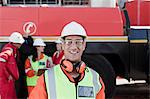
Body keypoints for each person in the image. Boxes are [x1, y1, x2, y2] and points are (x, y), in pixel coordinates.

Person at [29, 21, 105, 99]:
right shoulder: (47, 78)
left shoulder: (95, 79)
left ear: (84, 45)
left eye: (78, 42)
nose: (74, 47)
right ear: (63, 45)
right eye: (69, 42)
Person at [0, 32, 25, 99]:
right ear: (15, 43)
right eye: (19, 43)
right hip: (6, 81)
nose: (21, 44)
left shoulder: (13, 50)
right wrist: (7, 75)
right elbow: (1, 61)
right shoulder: (8, 50)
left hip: (9, 81)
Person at [16, 32, 34, 99]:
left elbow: (30, 49)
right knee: (21, 88)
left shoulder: (27, 45)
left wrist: (28, 38)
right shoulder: (21, 46)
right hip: (20, 70)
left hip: (26, 72)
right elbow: (28, 50)